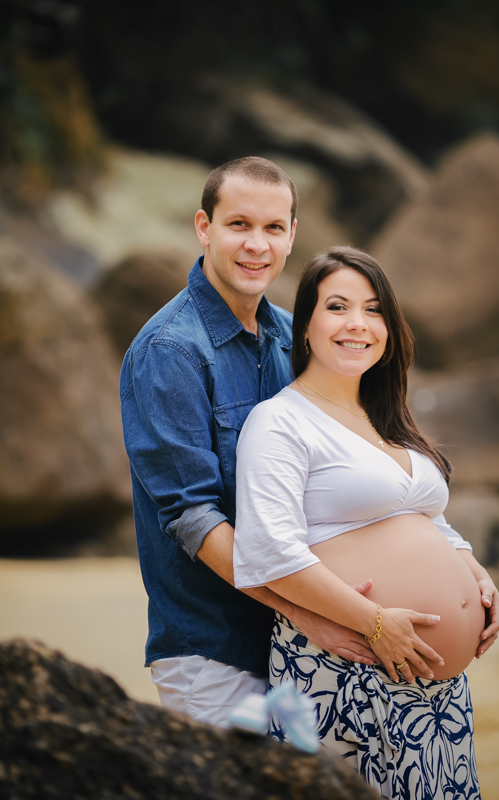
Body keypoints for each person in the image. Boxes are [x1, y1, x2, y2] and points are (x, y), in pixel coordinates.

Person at [233, 246, 499, 799]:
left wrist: (473, 572)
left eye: (374, 309)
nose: (358, 324)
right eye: (338, 307)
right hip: (346, 673)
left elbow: (427, 519)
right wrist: (377, 622)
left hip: (434, 695)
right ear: (304, 326)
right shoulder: (280, 422)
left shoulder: (389, 420)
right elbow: (268, 554)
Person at [120, 158, 377, 728]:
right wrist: (306, 611)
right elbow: (193, 518)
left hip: (304, 648)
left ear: (291, 237)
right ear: (204, 228)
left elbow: (351, 464)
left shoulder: (295, 335)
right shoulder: (170, 351)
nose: (256, 245)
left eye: (273, 228)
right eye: (238, 225)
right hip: (214, 652)